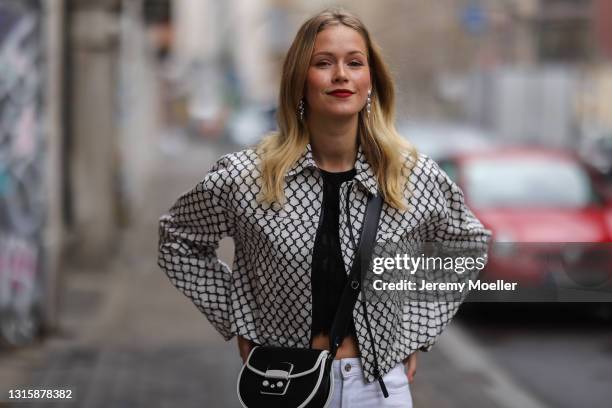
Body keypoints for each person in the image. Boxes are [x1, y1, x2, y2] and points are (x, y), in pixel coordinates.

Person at [158, 8, 491, 408]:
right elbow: (177, 240)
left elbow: (467, 243)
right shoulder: (247, 177)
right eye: (323, 63)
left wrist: (415, 328)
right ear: (300, 80)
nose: (341, 75)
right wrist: (236, 316)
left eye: (354, 62)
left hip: (378, 388)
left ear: (371, 81)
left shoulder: (410, 176)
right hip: (285, 382)